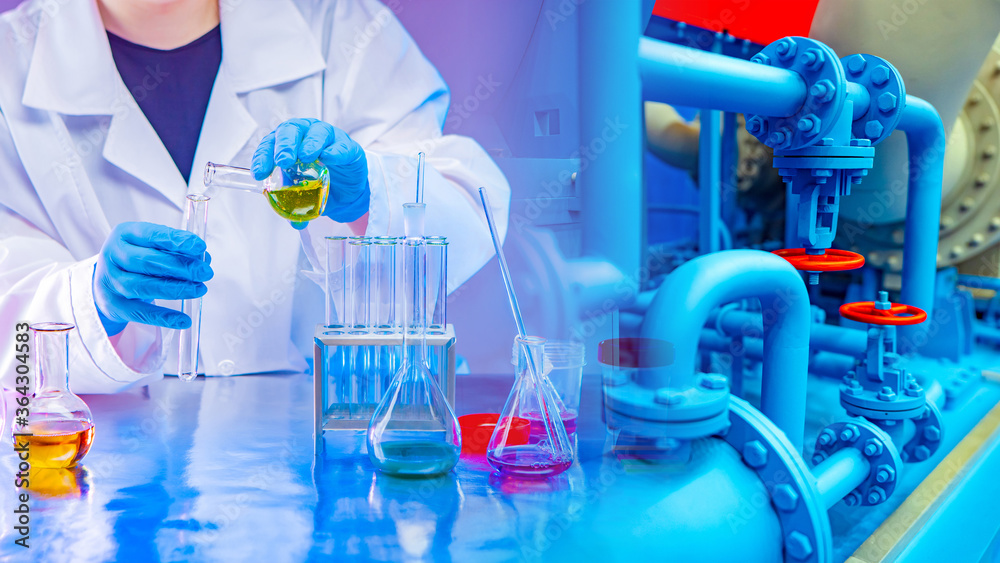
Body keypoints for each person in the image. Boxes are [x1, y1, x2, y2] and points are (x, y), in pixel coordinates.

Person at [0, 0, 510, 393]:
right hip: (105, 475)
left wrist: (369, 198)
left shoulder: (336, 25)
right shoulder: (10, 63)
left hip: (327, 448)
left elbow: (463, 199)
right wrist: (91, 301)